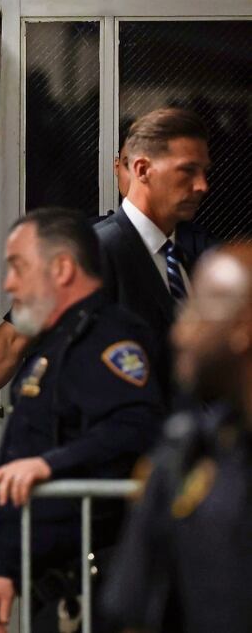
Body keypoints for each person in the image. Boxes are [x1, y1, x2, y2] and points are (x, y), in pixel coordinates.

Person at [0, 107, 215, 435]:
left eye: (204, 171)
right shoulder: (91, 252)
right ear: (138, 168)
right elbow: (16, 336)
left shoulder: (192, 253)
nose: (202, 186)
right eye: (188, 171)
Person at [0, 208, 162, 633]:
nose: (9, 284)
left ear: (61, 268)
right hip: (55, 588)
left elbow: (134, 428)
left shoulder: (110, 341)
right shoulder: (55, 345)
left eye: (19, 268)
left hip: (98, 589)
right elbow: (29, 445)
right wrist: (7, 569)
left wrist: (50, 467)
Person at [104, 243, 252, 633]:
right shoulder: (183, 457)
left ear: (243, 327)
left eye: (197, 311)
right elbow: (134, 608)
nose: (181, 333)